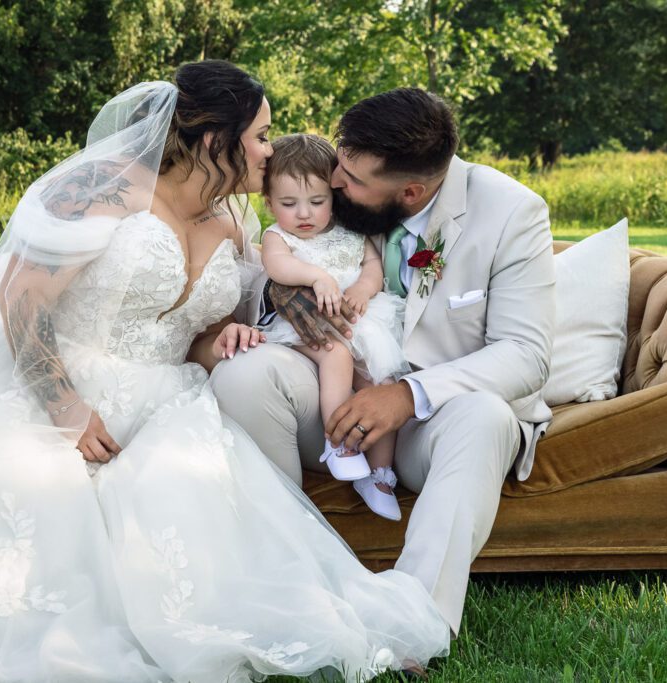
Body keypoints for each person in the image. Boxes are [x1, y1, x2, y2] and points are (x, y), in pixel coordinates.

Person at [0, 64, 449, 681]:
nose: (272, 150)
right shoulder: (104, 187)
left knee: (205, 531)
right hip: (57, 391)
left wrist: (224, 338)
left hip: (164, 403)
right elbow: (20, 296)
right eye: (261, 135)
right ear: (216, 139)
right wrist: (64, 408)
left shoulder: (234, 223)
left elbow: (189, 334)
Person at [211, 88, 556, 639]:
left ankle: (414, 623)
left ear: (411, 192)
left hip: (433, 417)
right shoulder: (339, 195)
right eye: (340, 165)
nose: (336, 183)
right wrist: (274, 299)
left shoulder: (511, 213)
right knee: (243, 374)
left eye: (352, 179)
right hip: (329, 387)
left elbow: (526, 355)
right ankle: (291, 586)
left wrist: (405, 396)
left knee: (487, 417)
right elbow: (277, 258)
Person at [257, 134, 408, 521]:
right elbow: (277, 266)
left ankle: (379, 475)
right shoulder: (278, 236)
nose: (303, 214)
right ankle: (338, 442)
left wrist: (362, 287)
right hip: (305, 328)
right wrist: (316, 276)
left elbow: (372, 266)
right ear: (269, 202)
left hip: (362, 322)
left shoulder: (350, 231)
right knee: (336, 354)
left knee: (381, 385)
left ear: (334, 197)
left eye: (317, 202)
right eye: (289, 204)